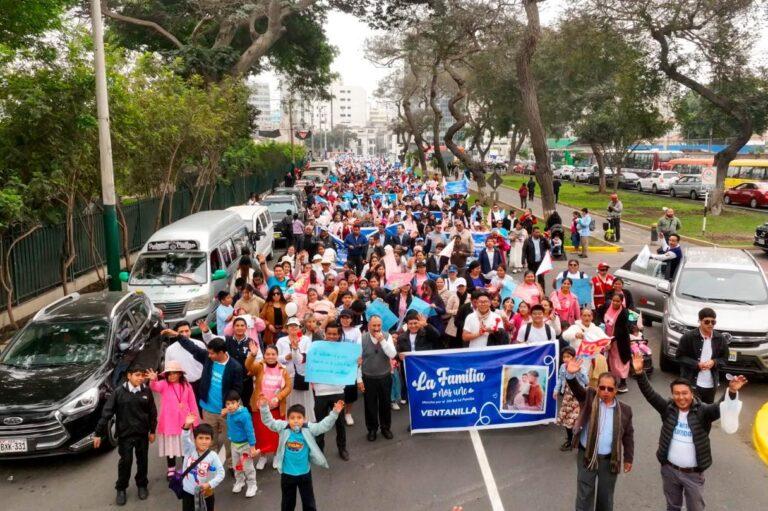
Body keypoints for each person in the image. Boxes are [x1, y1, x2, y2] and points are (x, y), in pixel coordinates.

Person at [631, 353, 747, 511]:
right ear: (673, 395)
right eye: (677, 393)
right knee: (672, 506)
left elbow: (720, 407)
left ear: (691, 394)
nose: (681, 397)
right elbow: (650, 395)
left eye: (684, 393)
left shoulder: (703, 412)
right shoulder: (667, 409)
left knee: (695, 508)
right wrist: (639, 373)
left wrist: (732, 391)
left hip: (693, 474)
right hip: (669, 470)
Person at [564, 358, 634, 511]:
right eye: (602, 388)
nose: (605, 392)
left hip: (609, 461)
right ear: (597, 387)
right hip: (587, 456)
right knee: (584, 496)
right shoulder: (589, 397)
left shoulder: (625, 410)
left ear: (616, 390)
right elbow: (576, 389)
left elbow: (628, 436)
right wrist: (570, 375)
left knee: (605, 497)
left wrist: (628, 458)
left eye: (610, 389)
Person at [258, 397, 345, 511]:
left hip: (304, 474)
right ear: (287, 419)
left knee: (308, 502)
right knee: (287, 503)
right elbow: (269, 421)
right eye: (292, 418)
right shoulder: (283, 427)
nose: (295, 421)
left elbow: (323, 426)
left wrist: (334, 413)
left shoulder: (308, 428)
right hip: (287, 474)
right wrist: (264, 407)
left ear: (304, 419)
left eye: (299, 418)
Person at [177, 336, 244, 471]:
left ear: (221, 353)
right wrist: (178, 336)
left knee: (229, 440)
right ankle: (210, 463)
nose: (209, 355)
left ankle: (231, 464)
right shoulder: (209, 359)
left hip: (226, 412)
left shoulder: (235, 367)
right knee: (209, 439)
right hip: (208, 409)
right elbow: (193, 348)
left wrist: (229, 407)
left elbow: (237, 389)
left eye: (212, 353)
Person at [94, 366, 157, 506]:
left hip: (142, 434)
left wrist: (152, 431)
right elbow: (107, 413)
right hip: (125, 435)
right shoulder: (118, 392)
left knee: (142, 461)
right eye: (137, 375)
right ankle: (121, 488)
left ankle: (142, 485)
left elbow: (153, 412)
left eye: (142, 376)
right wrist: (98, 433)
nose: (140, 378)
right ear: (129, 376)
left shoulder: (146, 391)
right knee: (125, 462)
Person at [146, 362, 199, 480]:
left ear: (180, 374)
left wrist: (195, 422)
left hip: (185, 422)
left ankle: (186, 468)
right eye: (169, 374)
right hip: (169, 422)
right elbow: (155, 387)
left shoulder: (187, 385)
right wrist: (153, 380)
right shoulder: (164, 384)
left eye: (174, 373)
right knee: (171, 448)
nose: (172, 376)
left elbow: (192, 402)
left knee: (185, 446)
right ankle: (171, 470)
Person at [245, 342, 292, 470]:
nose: (270, 356)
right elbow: (248, 365)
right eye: (268, 354)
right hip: (260, 407)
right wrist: (253, 354)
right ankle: (263, 456)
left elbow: (288, 387)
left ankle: (277, 456)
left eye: (273, 354)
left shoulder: (283, 370)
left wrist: (279, 397)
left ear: (277, 355)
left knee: (276, 433)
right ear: (264, 355)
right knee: (261, 433)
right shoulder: (259, 367)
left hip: (276, 408)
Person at [674, 307, 730, 404]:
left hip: (711, 384)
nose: (710, 324)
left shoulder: (720, 338)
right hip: (691, 383)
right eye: (707, 321)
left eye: (713, 322)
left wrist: (714, 362)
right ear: (699, 321)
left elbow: (725, 359)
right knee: (692, 413)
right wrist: (697, 364)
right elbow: (679, 357)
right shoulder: (689, 337)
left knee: (707, 413)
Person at [313, 322, 350, 461]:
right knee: (320, 424)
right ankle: (319, 450)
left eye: (335, 334)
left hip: (337, 391)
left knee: (340, 423)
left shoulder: (345, 350)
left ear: (339, 335)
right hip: (321, 392)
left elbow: (349, 368)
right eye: (329, 334)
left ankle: (342, 448)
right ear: (325, 334)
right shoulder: (317, 349)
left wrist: (356, 363)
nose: (332, 336)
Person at [358, 315, 398, 441]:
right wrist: (359, 379)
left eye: (378, 325)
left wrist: (382, 341)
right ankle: (372, 429)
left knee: (385, 403)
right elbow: (358, 361)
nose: (376, 328)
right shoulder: (362, 338)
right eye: (373, 325)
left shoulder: (387, 336)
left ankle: (385, 428)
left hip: (384, 376)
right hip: (368, 377)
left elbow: (392, 354)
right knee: (370, 405)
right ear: (368, 325)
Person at [179, 414, 226, 511]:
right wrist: (187, 426)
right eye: (200, 438)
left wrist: (209, 484)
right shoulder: (189, 450)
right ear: (195, 439)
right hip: (187, 492)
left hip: (206, 493)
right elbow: (184, 438)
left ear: (211, 440)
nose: (204, 441)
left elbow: (221, 473)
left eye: (207, 438)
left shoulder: (213, 456)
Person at [222, 391, 259, 498]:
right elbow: (231, 425)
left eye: (232, 403)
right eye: (227, 404)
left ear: (238, 403)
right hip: (234, 444)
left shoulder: (244, 415)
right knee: (236, 465)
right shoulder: (229, 413)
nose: (230, 406)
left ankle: (252, 484)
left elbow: (250, 431)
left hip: (245, 445)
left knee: (247, 467)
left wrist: (252, 447)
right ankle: (240, 481)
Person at [555, 347, 588, 451]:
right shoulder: (562, 367)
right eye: (564, 357)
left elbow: (586, 381)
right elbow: (560, 379)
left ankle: (580, 441)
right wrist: (556, 390)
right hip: (567, 396)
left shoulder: (580, 367)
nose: (565, 359)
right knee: (566, 418)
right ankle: (569, 440)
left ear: (574, 357)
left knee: (577, 419)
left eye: (568, 356)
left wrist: (578, 371)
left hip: (579, 397)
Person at [597, 293, 632, 393]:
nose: (615, 303)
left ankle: (623, 382)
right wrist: (600, 324)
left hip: (619, 340)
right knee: (611, 359)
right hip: (606, 337)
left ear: (622, 302)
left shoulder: (624, 313)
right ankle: (613, 379)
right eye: (614, 301)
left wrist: (611, 340)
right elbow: (599, 313)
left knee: (620, 361)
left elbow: (621, 330)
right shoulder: (607, 305)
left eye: (618, 301)